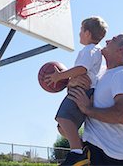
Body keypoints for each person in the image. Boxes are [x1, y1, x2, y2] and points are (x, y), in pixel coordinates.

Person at [67, 32, 123, 166]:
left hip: (115, 156)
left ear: (122, 49)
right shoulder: (100, 76)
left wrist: (88, 109)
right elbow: (76, 97)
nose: (106, 41)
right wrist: (72, 83)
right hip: (95, 150)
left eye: (113, 40)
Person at [44, 16, 108, 166]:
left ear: (87, 33)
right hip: (87, 91)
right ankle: (82, 149)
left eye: (81, 30)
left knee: (63, 118)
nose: (79, 33)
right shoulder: (97, 52)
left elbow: (81, 69)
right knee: (62, 127)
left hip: (81, 91)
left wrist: (59, 76)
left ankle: (76, 152)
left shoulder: (88, 50)